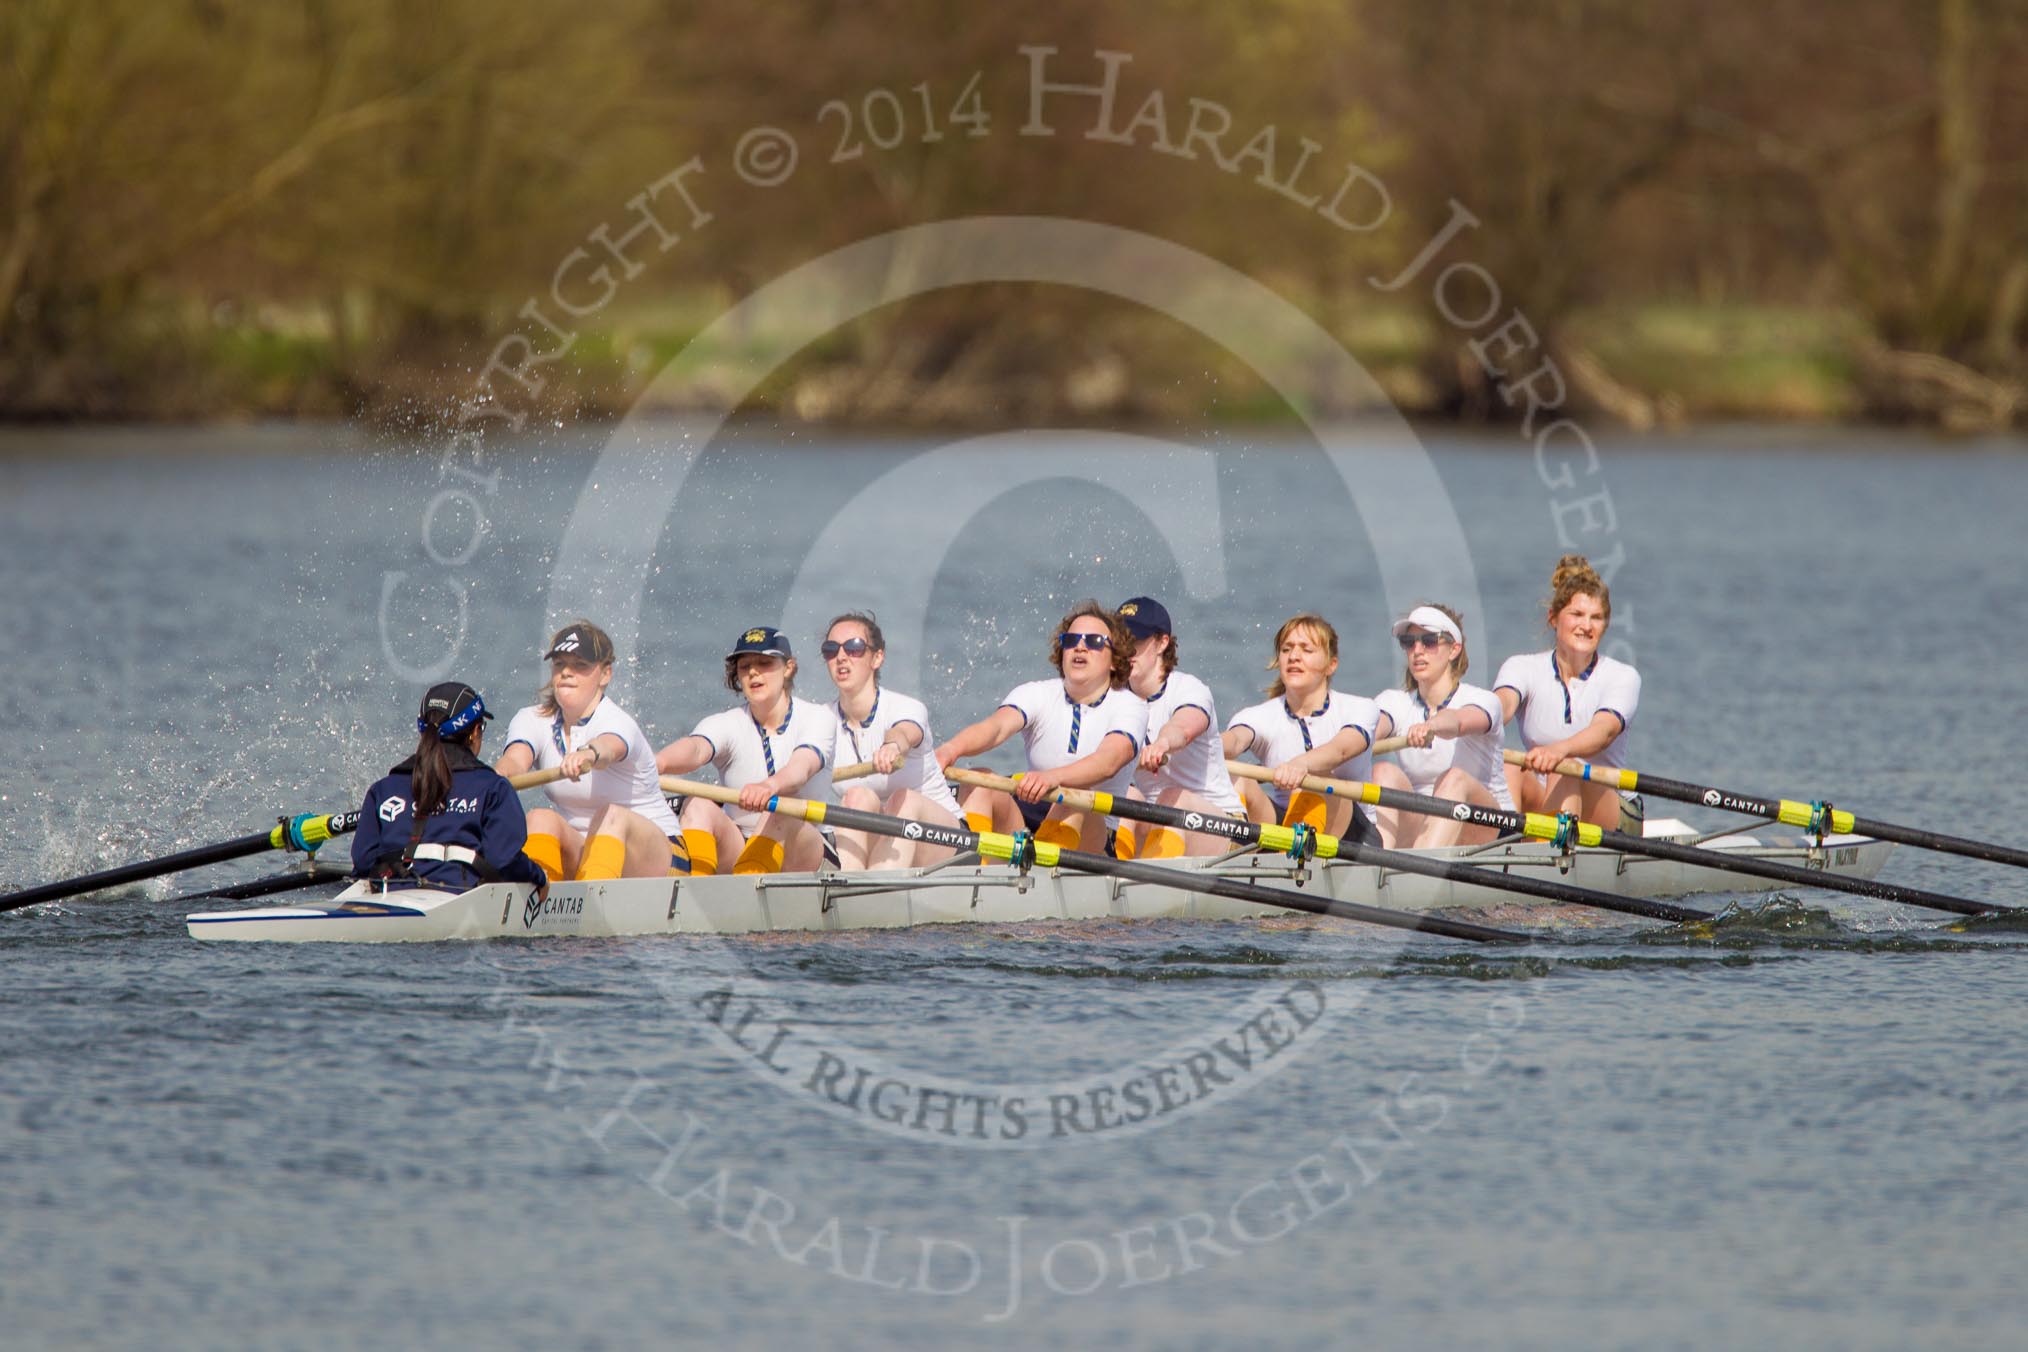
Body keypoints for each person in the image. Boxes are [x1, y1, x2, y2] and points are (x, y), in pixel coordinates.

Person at [934, 601, 1147, 855]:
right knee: (980, 781)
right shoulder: (1037, 693)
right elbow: (996, 728)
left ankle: (1039, 875)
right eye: (1071, 640)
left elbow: (1108, 761)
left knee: (1073, 794)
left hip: (1093, 836)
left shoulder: (1130, 706)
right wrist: (949, 750)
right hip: (1029, 818)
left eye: (1094, 642)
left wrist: (1053, 777)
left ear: (1114, 660)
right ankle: (971, 869)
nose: (1080, 646)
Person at [494, 621, 686, 881]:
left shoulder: (616, 721)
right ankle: (534, 899)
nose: (566, 673)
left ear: (605, 674)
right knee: (540, 818)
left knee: (611, 815)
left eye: (580, 665)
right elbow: (515, 760)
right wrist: (497, 777)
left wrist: (587, 755)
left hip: (659, 853)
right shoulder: (531, 719)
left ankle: (593, 904)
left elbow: (608, 747)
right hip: (587, 850)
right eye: (559, 664)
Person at [655, 626, 840, 875]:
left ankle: (747, 893)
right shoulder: (727, 723)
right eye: (744, 667)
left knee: (780, 808)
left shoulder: (818, 718)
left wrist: (769, 787)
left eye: (764, 663)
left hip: (805, 850)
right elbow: (696, 749)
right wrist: (658, 763)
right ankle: (692, 894)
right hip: (740, 843)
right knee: (697, 804)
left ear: (788, 668)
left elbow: (801, 768)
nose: (753, 672)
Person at [352, 682, 549, 895]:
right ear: (474, 733)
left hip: (390, 895)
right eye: (481, 727)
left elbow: (363, 862)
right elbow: (505, 860)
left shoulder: (382, 789)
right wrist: (538, 876)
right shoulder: (493, 788)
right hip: (459, 898)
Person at [1494, 553, 1643, 829]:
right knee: (1510, 768)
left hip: (1612, 810)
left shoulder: (1622, 676)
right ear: (1553, 618)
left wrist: (1559, 751)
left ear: (1605, 625)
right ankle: (1505, 850)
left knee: (1570, 768)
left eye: (1596, 618)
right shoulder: (1521, 667)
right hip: (1545, 798)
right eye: (1576, 614)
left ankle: (1549, 858)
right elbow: (1500, 708)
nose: (1586, 626)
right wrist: (1465, 721)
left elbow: (1604, 731)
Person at [821, 611, 961, 870]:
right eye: (831, 649)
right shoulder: (820, 722)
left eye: (853, 648)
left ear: (877, 657)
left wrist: (892, 747)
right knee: (855, 798)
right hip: (878, 834)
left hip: (946, 841)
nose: (841, 657)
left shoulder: (905, 707)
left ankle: (872, 895)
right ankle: (853, 888)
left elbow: (904, 732)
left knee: (902, 800)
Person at [1222, 614, 1379, 840]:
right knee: (1236, 777)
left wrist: (1301, 764)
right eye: (1286, 650)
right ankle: (1231, 852)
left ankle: (1294, 854)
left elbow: (1340, 750)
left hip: (1353, 837)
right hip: (1286, 831)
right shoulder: (1259, 715)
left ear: (1331, 664)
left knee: (1317, 775)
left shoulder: (1360, 708)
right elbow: (1234, 740)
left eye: (1306, 649)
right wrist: (1198, 745)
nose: (1294, 656)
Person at [1368, 604, 1512, 848]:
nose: (1417, 650)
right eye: (1408, 642)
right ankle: (1377, 870)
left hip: (1489, 826)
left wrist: (1431, 726)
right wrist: (1353, 744)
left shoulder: (1483, 700)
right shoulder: (1395, 701)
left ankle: (1420, 879)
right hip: (1424, 823)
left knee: (1454, 778)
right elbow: (1372, 729)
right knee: (1382, 771)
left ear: (1454, 649)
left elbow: (1459, 721)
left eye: (1429, 641)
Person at [1116, 596, 1244, 857]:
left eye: (1135, 641)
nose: (1126, 651)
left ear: (1162, 643)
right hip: (1157, 822)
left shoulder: (1189, 689)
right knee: (1125, 797)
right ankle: (1108, 877)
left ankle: (1144, 887)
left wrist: (1162, 744)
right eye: (1120, 642)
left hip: (1222, 826)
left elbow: (1183, 727)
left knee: (1173, 797)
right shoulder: (1114, 699)